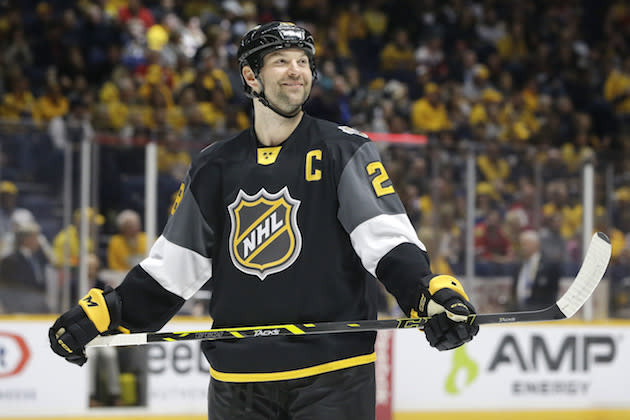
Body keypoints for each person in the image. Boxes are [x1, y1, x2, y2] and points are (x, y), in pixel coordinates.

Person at [48, 22, 479, 419]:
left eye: (304, 62)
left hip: (333, 377)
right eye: (281, 61)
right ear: (251, 77)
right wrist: (108, 312)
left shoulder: (342, 149)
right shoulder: (214, 165)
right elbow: (172, 271)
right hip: (239, 384)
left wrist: (426, 294)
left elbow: (386, 243)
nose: (297, 71)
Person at [510, 229, 561, 311]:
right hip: (519, 313)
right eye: (520, 244)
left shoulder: (549, 266)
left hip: (540, 314)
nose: (522, 247)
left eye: (524, 244)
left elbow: (552, 293)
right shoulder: (518, 265)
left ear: (536, 244)